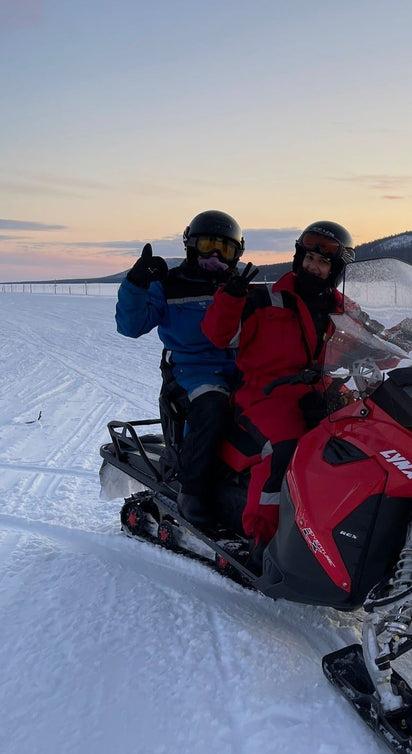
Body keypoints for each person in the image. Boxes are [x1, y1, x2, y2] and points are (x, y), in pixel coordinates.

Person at [201, 221, 356, 548]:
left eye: (323, 262)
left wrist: (401, 338)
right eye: (309, 258)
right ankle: (265, 538)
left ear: (335, 269)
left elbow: (370, 349)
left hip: (322, 393)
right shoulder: (264, 298)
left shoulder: (344, 310)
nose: (313, 267)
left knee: (366, 440)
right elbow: (218, 335)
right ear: (299, 258)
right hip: (265, 395)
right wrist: (230, 298)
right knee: (285, 449)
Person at [115, 210, 247, 525]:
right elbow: (131, 326)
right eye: (207, 246)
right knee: (213, 405)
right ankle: (193, 491)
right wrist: (136, 284)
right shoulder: (171, 285)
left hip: (240, 368)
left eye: (224, 249)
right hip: (191, 371)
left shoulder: (239, 288)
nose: (215, 257)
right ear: (190, 246)